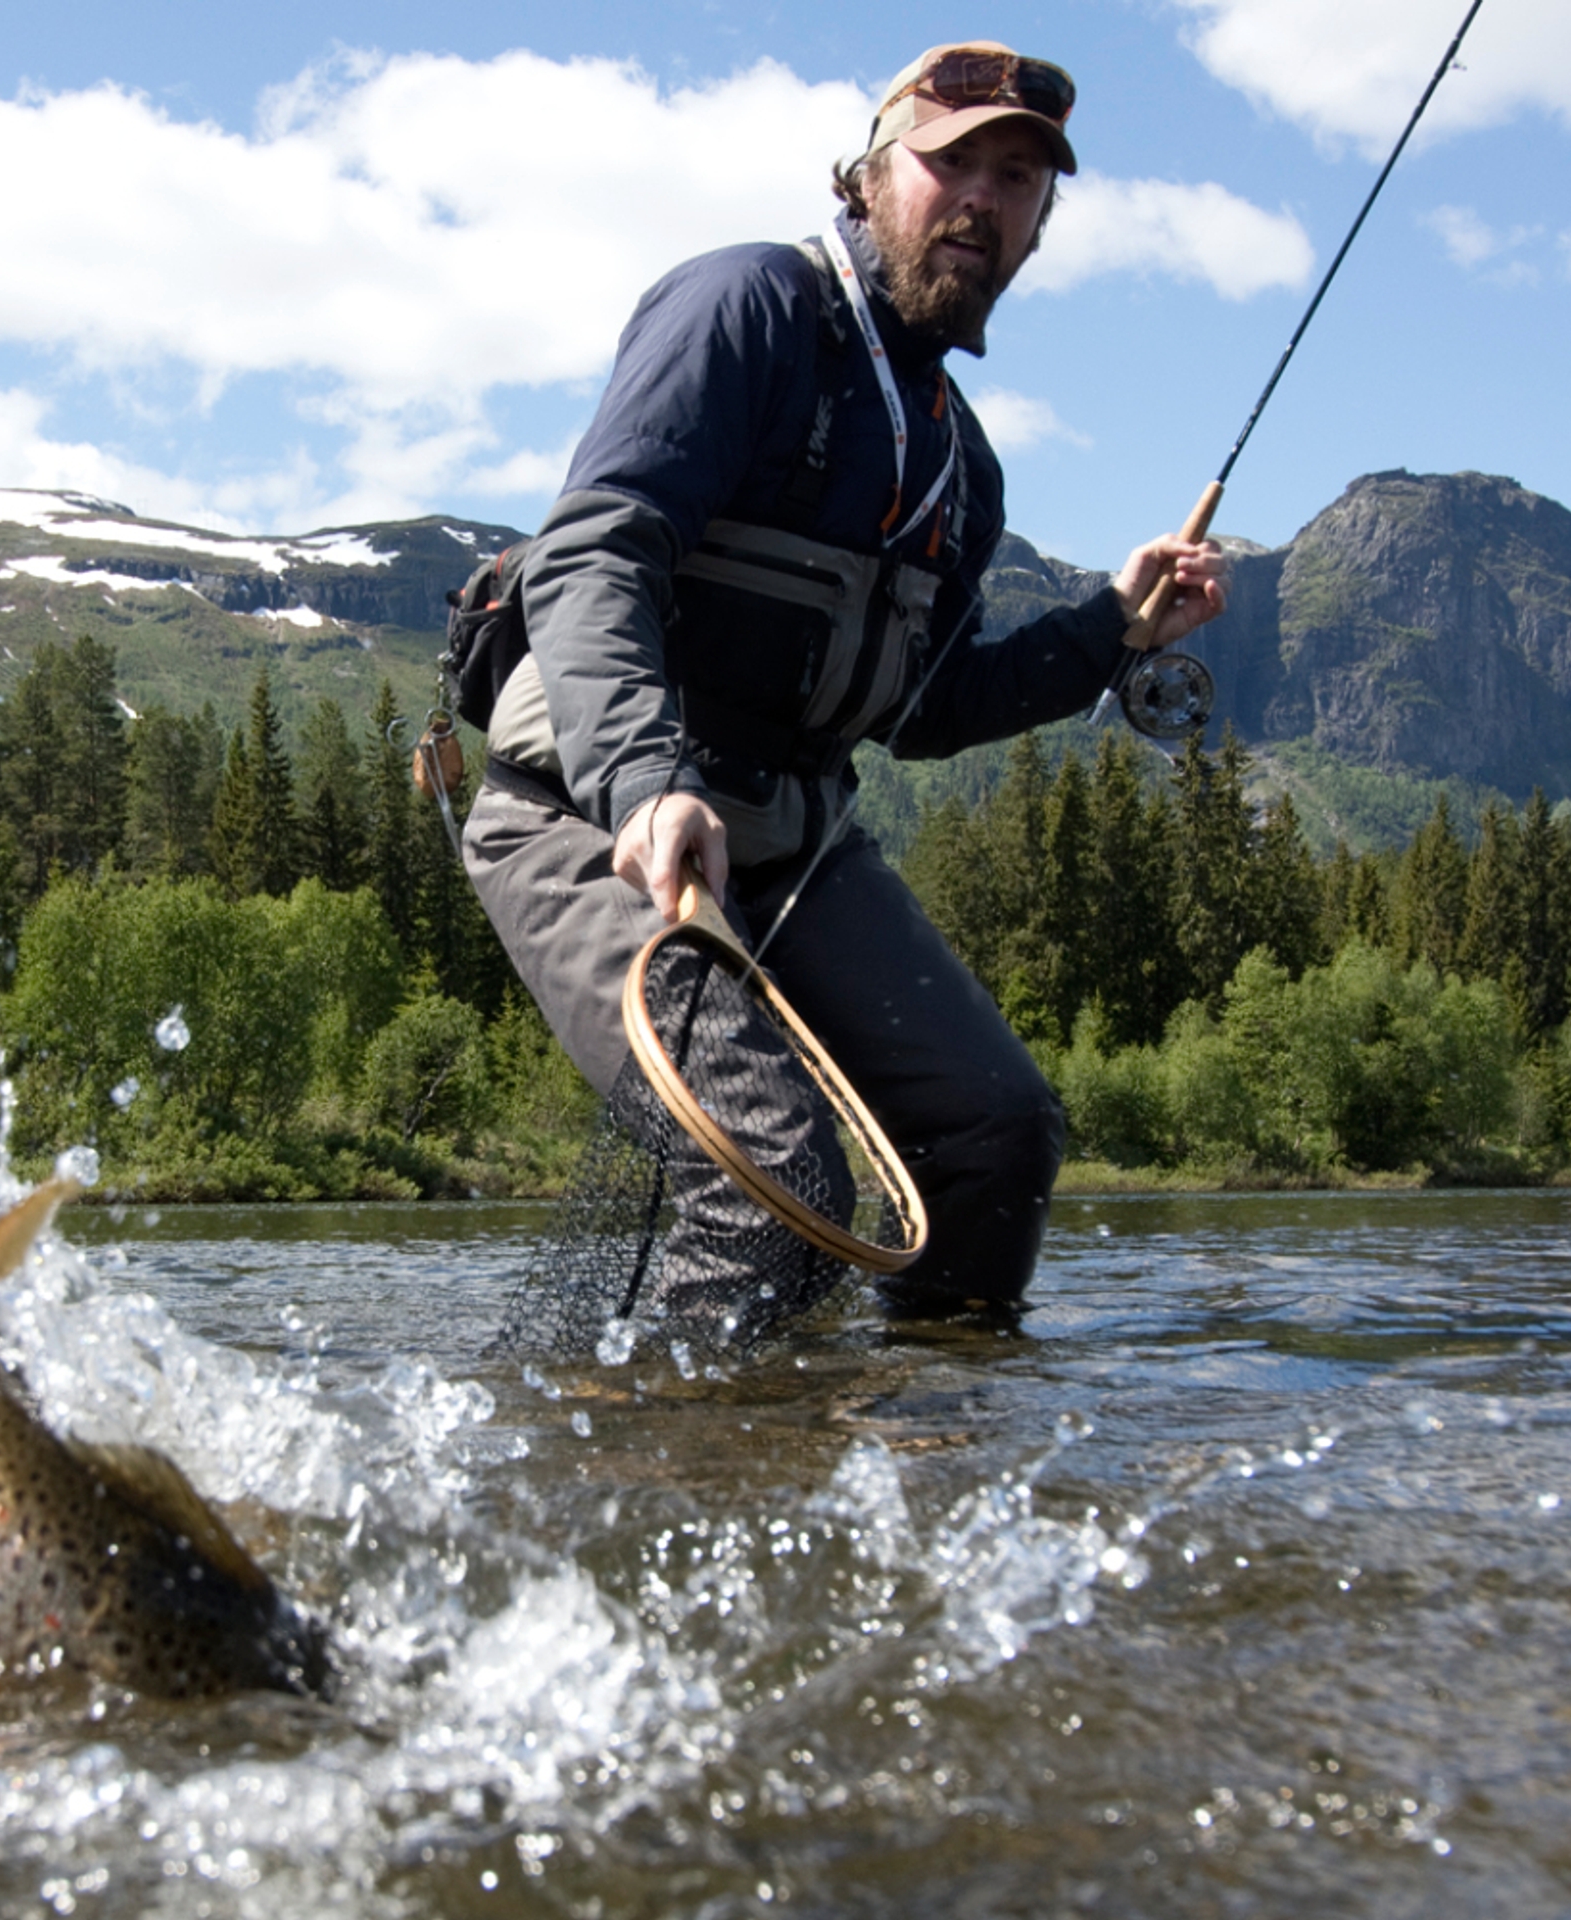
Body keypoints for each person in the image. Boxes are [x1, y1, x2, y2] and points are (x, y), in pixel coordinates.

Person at [462, 40, 1231, 1328]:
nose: (986, 199)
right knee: (769, 1176)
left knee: (998, 1134)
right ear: (874, 175)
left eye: (1022, 178)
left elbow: (923, 713)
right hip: (587, 818)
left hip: (795, 849)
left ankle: (908, 1471)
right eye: (955, 164)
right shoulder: (749, 306)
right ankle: (667, 1491)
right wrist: (646, 787)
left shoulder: (965, 471)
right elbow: (599, 548)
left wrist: (1109, 632)